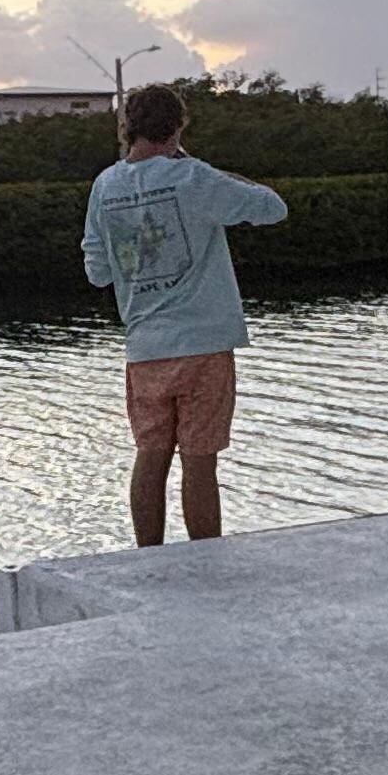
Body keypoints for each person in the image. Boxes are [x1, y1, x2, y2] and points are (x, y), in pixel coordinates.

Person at [80, 83, 287, 545]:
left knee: (150, 454)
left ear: (127, 127)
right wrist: (218, 172)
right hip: (205, 344)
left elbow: (97, 272)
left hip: (145, 348)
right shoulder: (196, 178)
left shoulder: (105, 185)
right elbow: (273, 208)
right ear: (177, 127)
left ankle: (147, 556)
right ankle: (205, 560)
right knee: (199, 460)